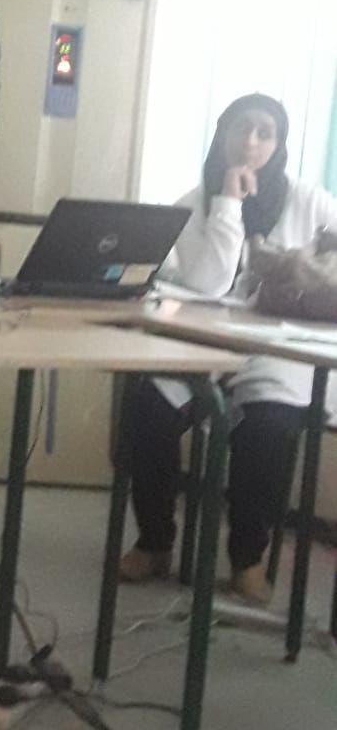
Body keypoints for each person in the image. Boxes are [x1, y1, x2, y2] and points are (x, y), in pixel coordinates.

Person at [119, 93, 337, 603]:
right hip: (204, 343)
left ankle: (247, 558)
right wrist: (228, 204)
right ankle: (155, 541)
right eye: (242, 129)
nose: (251, 142)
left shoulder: (309, 200)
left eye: (265, 133)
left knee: (268, 427)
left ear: (279, 144)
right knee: (147, 407)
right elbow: (211, 283)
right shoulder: (193, 202)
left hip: (276, 351)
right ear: (222, 134)